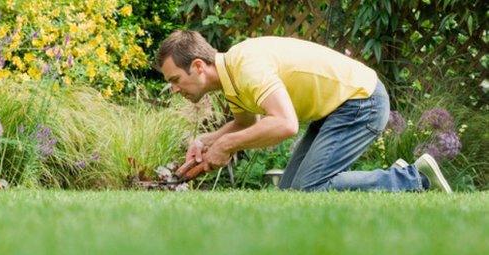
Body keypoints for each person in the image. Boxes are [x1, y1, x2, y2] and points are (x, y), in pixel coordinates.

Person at [156, 30, 452, 192]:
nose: (175, 89)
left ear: (197, 66)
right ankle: (402, 176)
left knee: (311, 188)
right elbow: (246, 122)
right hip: (336, 109)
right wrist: (207, 141)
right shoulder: (231, 74)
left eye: (175, 80)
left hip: (361, 101)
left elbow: (285, 124)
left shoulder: (247, 66)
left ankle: (412, 177)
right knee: (291, 192)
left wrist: (226, 145)